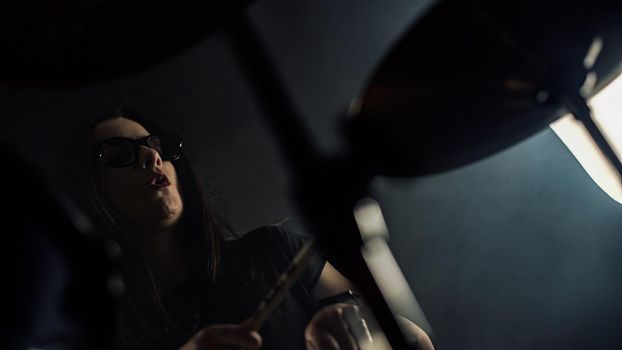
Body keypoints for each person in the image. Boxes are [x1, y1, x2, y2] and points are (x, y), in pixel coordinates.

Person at [70, 109, 433, 350]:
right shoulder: (100, 329)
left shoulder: (272, 250)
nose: (152, 157)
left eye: (154, 145)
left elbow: (413, 338)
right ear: (89, 194)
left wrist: (354, 327)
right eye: (118, 154)